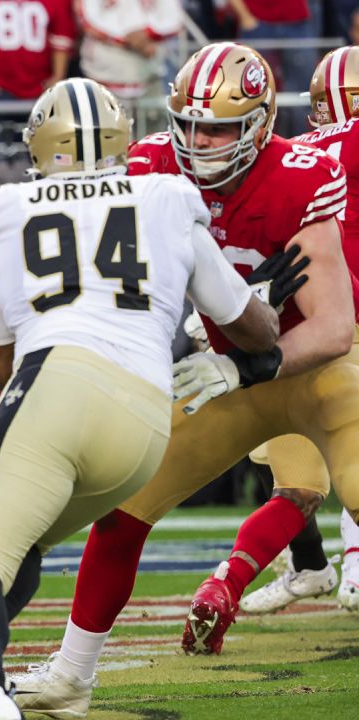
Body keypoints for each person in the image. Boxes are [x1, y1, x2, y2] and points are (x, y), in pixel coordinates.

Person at [0, 77, 288, 720]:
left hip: (57, 383)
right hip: (146, 423)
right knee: (25, 548)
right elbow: (255, 330)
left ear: (41, 148)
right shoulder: (167, 196)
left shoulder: (3, 209)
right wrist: (262, 313)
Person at [12, 43, 359, 718]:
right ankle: (72, 676)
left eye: (221, 128)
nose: (201, 141)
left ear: (259, 123)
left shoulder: (300, 174)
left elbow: (334, 328)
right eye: (191, 124)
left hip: (315, 374)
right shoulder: (149, 166)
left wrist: (244, 357)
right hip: (223, 377)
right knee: (123, 510)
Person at [234, 45, 359, 617]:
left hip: (307, 322)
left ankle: (319, 565)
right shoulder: (334, 149)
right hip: (341, 321)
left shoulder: (296, 151)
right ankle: (326, 564)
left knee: (291, 456)